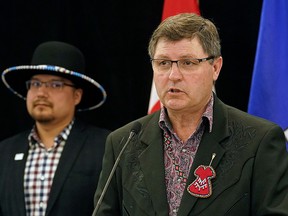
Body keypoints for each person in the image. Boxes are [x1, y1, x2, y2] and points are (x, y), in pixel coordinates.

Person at [93, 13, 288, 216]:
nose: (173, 76)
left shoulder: (259, 140)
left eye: (187, 63)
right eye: (163, 63)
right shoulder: (123, 142)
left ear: (215, 67)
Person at [0, 41, 110, 216]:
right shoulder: (5, 151)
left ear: (77, 96)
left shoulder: (106, 146)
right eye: (35, 84)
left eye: (55, 85)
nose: (41, 92)